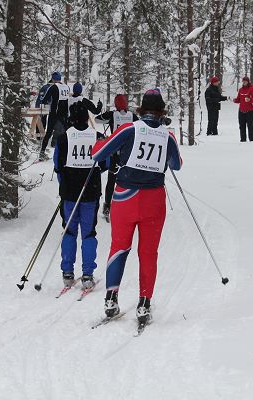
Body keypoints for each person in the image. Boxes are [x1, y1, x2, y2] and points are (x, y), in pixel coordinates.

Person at [92, 89, 182, 324]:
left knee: (119, 247)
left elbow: (99, 154)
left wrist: (100, 142)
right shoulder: (168, 135)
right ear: (162, 111)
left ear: (141, 109)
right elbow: (177, 164)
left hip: (125, 197)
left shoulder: (130, 128)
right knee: (148, 252)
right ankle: (144, 304)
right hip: (153, 199)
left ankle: (111, 298)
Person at [53, 100, 108, 289]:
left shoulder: (63, 138)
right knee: (88, 232)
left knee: (69, 230)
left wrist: (65, 184)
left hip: (69, 193)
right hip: (90, 192)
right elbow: (106, 163)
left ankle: (67, 272)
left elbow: (58, 166)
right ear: (87, 118)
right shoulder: (98, 137)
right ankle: (87, 274)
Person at [95, 94, 139, 221]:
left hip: (115, 152)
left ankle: (107, 206)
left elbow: (98, 120)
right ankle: (128, 205)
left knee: (111, 179)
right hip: (129, 153)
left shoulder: (112, 115)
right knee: (129, 180)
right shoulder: (132, 116)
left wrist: (107, 116)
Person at [40, 72, 70, 160]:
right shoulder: (66, 87)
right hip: (64, 114)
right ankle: (68, 153)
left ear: (53, 79)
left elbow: (45, 99)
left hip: (55, 113)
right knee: (67, 133)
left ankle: (42, 152)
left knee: (48, 133)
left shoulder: (53, 87)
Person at [233, 76, 253, 142]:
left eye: (245, 81)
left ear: (248, 82)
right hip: (241, 111)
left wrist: (250, 99)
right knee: (242, 126)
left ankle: (252, 140)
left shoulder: (252, 89)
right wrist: (234, 100)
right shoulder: (240, 90)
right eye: (243, 81)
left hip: (250, 111)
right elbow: (239, 99)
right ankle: (243, 140)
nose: (244, 82)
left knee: (250, 126)